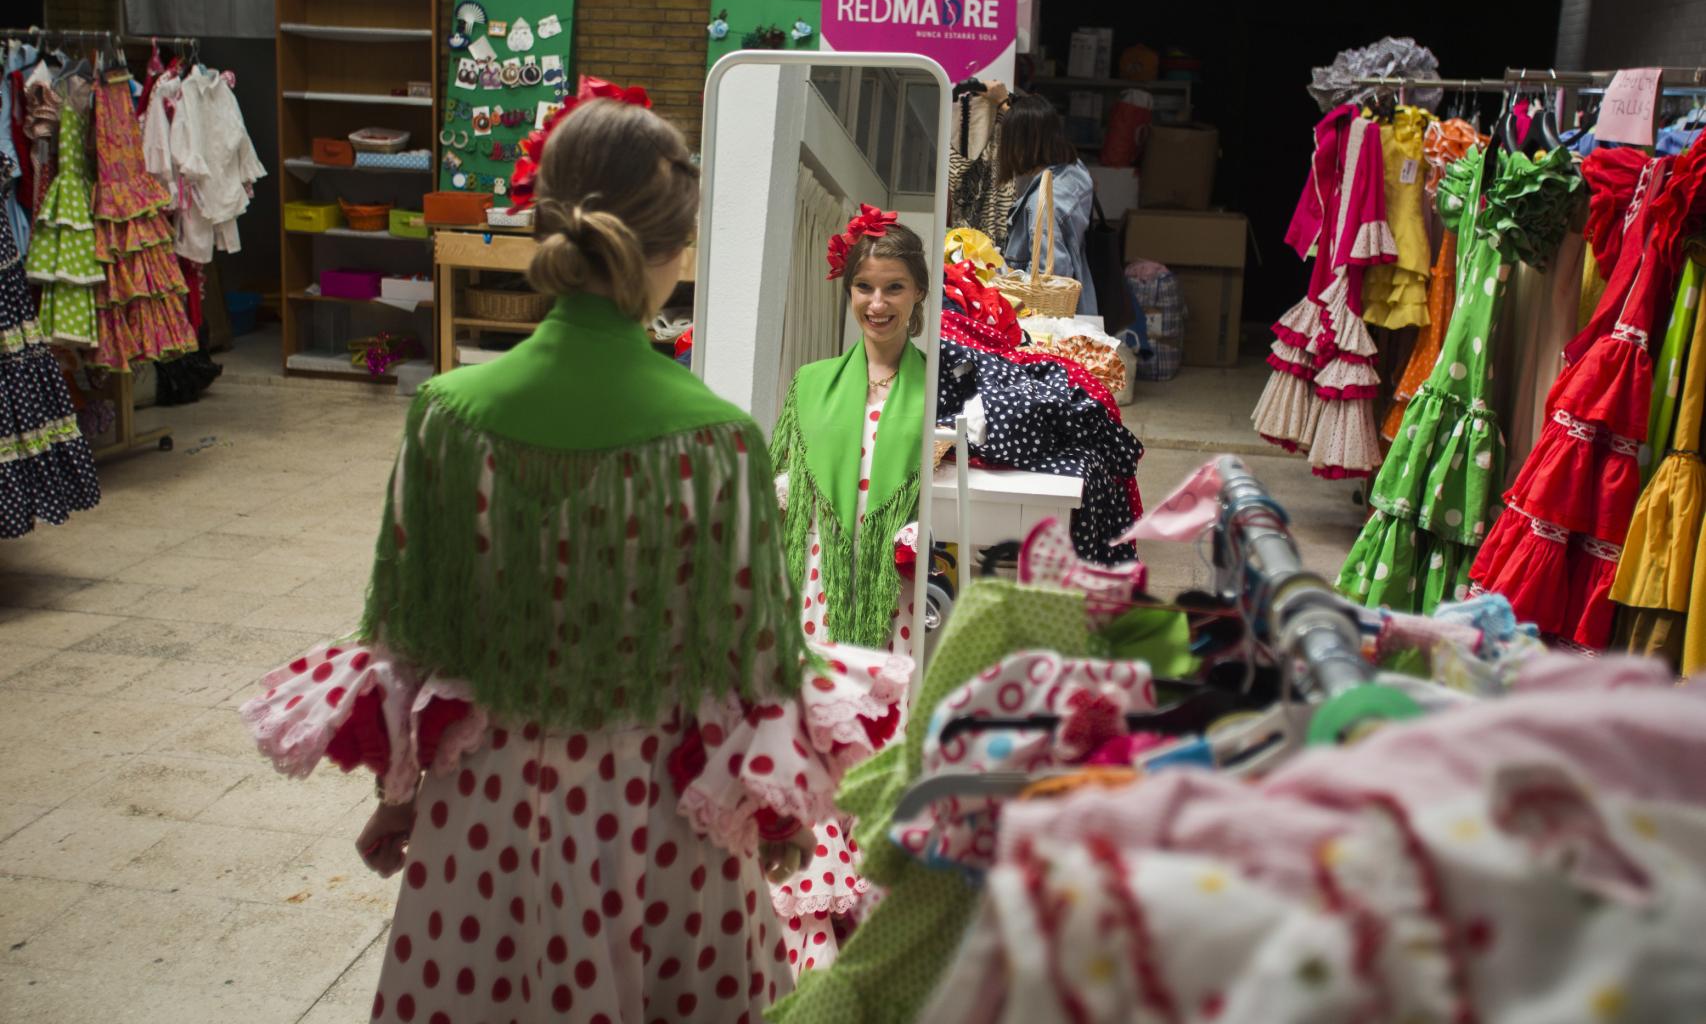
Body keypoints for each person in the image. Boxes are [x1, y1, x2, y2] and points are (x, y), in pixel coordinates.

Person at [239, 98, 910, 1024]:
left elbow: (410, 639)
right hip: (663, 832)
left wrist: (402, 801)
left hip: (485, 823)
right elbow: (749, 668)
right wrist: (784, 817)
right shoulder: (719, 443)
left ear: (545, 229)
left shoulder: (445, 416)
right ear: (675, 254)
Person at [766, 207, 928, 970]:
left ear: (920, 294)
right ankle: (815, 928)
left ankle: (875, 918)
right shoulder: (810, 385)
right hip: (822, 593)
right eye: (864, 286)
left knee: (880, 746)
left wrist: (921, 534)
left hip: (896, 605)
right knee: (821, 742)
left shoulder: (944, 388)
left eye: (894, 286)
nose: (877, 303)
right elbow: (784, 480)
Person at [996, 92, 1100, 316]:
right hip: (1084, 304)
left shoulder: (1040, 205)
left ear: (1018, 143)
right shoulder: (1075, 172)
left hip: (1047, 319)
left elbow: (1049, 280)